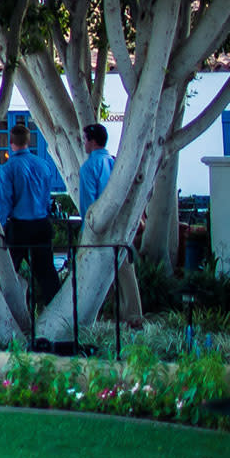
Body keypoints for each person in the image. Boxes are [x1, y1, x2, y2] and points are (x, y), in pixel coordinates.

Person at [79, 122, 144, 327]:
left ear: (92, 140)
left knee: (92, 274)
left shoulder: (89, 167)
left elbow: (88, 204)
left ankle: (94, 316)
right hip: (120, 225)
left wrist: (86, 230)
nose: (83, 143)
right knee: (124, 270)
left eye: (85, 139)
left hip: (99, 228)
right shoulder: (115, 162)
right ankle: (134, 315)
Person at [0, 123, 61, 312]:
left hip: (19, 227)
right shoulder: (43, 165)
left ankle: (6, 313)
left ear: (10, 142)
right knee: (47, 274)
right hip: (41, 224)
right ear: (28, 141)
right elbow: (47, 198)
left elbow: (4, 203)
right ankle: (57, 315)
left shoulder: (8, 169)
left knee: (7, 273)